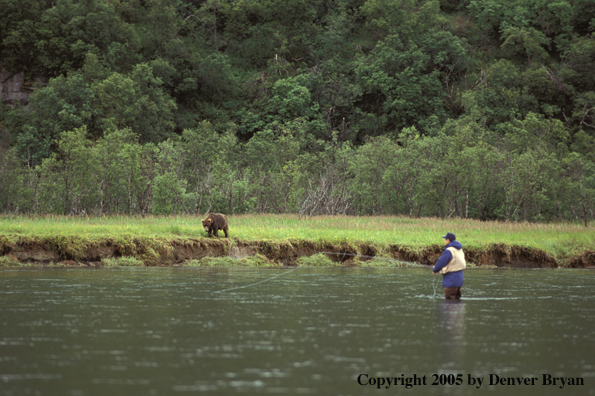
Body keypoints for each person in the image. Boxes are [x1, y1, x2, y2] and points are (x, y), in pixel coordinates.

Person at [432, 232, 466, 300]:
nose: (444, 241)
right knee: (457, 300)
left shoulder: (449, 250)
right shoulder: (459, 249)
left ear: (448, 240)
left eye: (445, 239)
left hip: (451, 279)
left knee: (449, 300)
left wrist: (435, 270)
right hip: (459, 279)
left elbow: (441, 262)